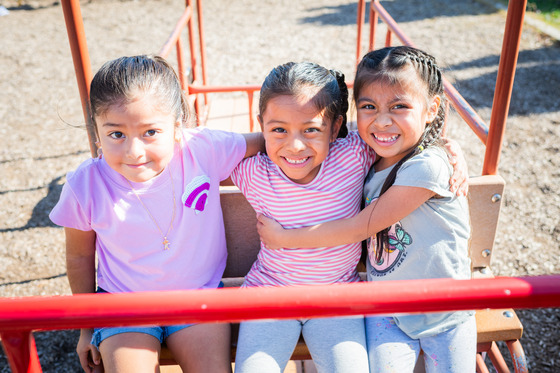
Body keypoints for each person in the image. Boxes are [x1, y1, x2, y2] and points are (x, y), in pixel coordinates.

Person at [231, 60, 468, 373]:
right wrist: (262, 138)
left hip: (338, 297)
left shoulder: (353, 154)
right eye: (279, 129)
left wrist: (445, 146)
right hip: (270, 294)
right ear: (261, 124)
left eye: (311, 129)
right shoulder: (252, 172)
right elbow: (202, 154)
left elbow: (399, 138)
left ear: (335, 127)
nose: (295, 145)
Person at [49, 55, 264, 373]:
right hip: (123, 304)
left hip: (197, 297)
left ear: (177, 127)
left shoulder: (201, 150)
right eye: (116, 135)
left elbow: (269, 140)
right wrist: (86, 328)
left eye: (150, 132)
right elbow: (79, 257)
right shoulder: (86, 184)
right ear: (96, 132)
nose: (134, 151)